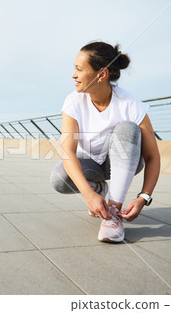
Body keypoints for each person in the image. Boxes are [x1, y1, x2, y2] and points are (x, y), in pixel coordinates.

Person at [50, 41, 160, 243]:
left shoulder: (130, 104)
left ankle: (113, 214)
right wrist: (88, 194)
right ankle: (100, 189)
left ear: (102, 74)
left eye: (79, 69)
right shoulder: (73, 101)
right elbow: (68, 152)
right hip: (91, 162)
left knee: (128, 128)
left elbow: (152, 157)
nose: (73, 75)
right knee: (59, 178)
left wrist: (144, 197)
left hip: (122, 161)